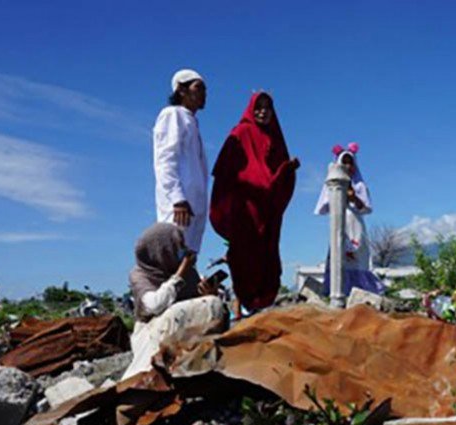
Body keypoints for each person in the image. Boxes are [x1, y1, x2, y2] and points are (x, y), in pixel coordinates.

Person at [209, 92, 299, 316]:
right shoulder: (240, 134)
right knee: (245, 259)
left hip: (267, 213)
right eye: (258, 107)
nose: (263, 112)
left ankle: (263, 307)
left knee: (268, 258)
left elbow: (275, 176)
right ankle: (246, 308)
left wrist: (285, 173)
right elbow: (226, 174)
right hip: (245, 211)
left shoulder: (275, 137)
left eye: (267, 107)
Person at [122, 223, 227, 380]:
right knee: (182, 312)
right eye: (178, 247)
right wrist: (179, 275)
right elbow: (154, 306)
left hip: (182, 331)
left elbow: (195, 304)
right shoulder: (140, 275)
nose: (183, 252)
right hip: (151, 330)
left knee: (214, 305)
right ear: (163, 250)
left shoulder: (189, 273)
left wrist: (208, 293)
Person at [314, 143, 385, 295]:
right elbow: (324, 207)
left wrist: (354, 199)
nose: (347, 165)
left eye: (350, 162)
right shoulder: (332, 184)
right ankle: (337, 291)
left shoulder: (359, 186)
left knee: (357, 255)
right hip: (339, 223)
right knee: (338, 254)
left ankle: (360, 291)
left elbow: (367, 208)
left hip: (355, 223)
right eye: (343, 162)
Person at [153, 69, 209, 253]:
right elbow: (165, 159)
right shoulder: (172, 115)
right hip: (179, 207)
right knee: (172, 258)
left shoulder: (192, 121)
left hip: (194, 207)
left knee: (187, 260)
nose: (203, 94)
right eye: (198, 88)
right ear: (181, 90)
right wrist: (177, 198)